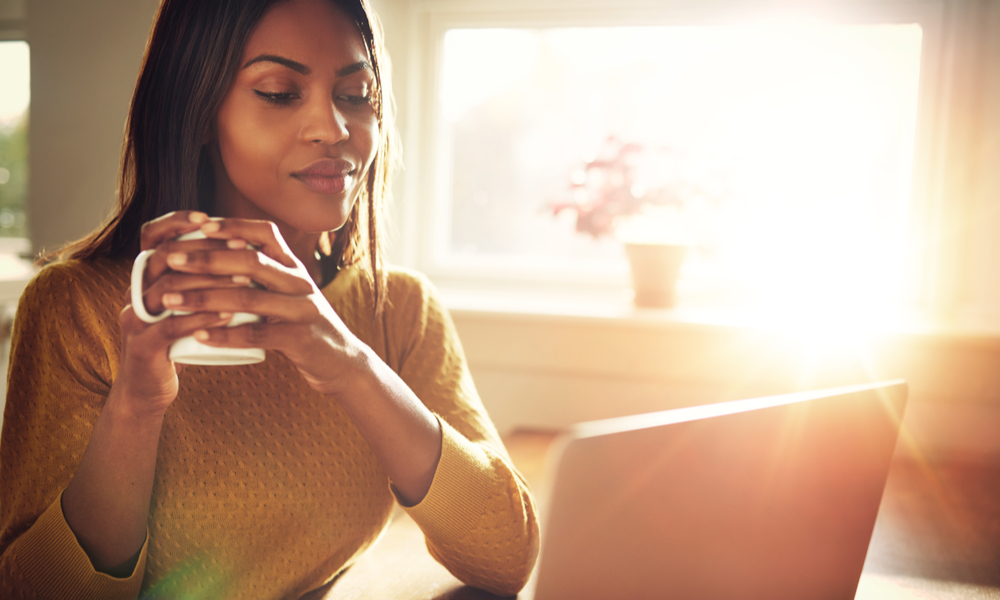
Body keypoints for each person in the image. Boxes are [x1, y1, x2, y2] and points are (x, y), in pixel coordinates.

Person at [0, 0, 539, 597]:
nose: (333, 128)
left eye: (356, 93)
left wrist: (348, 361)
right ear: (199, 110)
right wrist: (136, 404)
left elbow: (506, 556)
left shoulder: (399, 309)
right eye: (281, 92)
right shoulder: (75, 309)